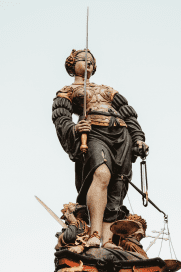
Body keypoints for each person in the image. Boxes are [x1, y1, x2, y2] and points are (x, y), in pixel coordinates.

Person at [52, 49, 148, 249]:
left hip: (121, 134)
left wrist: (138, 138)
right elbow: (61, 117)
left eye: (92, 61)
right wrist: (75, 128)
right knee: (102, 174)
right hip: (94, 132)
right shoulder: (67, 91)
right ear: (71, 64)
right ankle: (94, 233)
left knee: (118, 184)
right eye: (83, 60)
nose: (89, 63)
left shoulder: (107, 89)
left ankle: (108, 239)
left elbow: (128, 114)